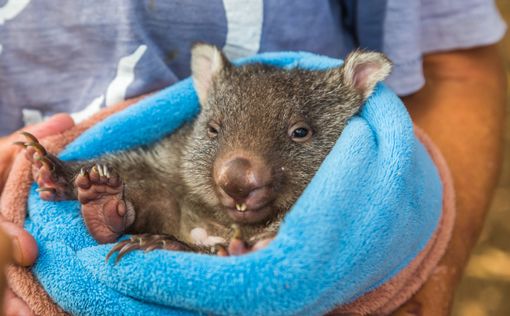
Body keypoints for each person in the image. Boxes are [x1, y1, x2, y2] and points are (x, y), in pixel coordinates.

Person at [0, 1, 506, 315]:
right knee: (141, 177)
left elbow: (454, 68)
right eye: (219, 131)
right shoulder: (200, 126)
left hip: (286, 233)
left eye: (300, 133)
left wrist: (427, 274)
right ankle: (121, 212)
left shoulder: (347, 125)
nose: (240, 171)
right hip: (156, 204)